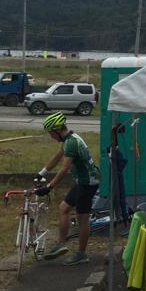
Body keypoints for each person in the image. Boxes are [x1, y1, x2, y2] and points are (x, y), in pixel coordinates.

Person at [38, 113, 101, 265]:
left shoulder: (71, 142)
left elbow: (64, 168)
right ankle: (61, 243)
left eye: (51, 133)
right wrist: (41, 173)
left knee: (82, 218)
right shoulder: (68, 139)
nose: (51, 136)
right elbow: (58, 157)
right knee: (64, 208)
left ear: (57, 130)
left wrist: (49, 186)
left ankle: (81, 254)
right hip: (82, 181)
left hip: (88, 182)